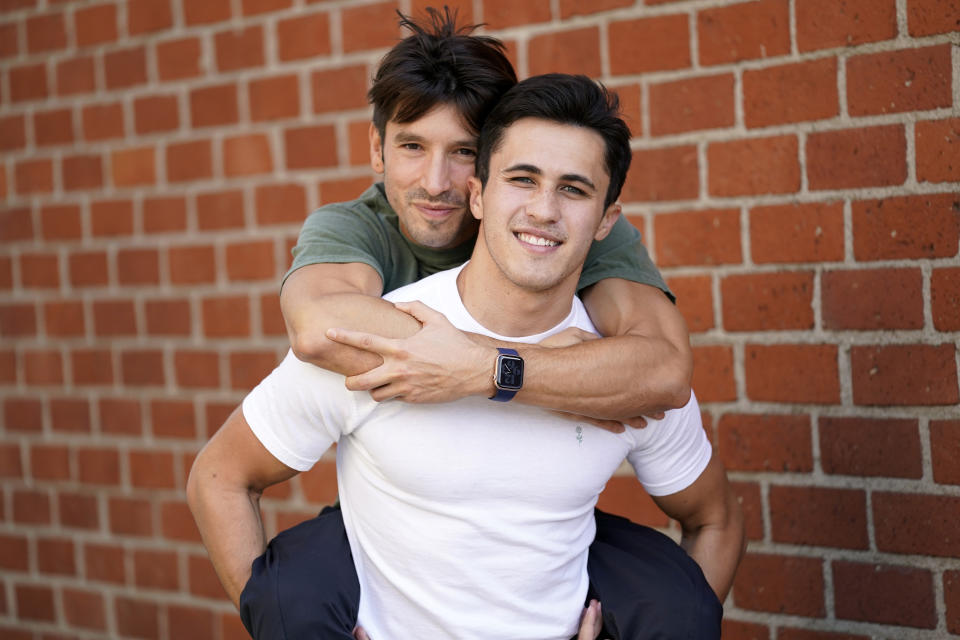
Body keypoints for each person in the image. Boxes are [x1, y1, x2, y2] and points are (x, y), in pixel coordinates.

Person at [188, 73, 745, 639]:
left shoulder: (619, 374)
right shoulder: (380, 341)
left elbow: (716, 518)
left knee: (679, 602)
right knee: (291, 593)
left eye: (574, 190)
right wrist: (267, 620)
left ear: (606, 220)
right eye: (522, 179)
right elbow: (221, 475)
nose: (544, 210)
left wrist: (485, 367)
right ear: (479, 194)